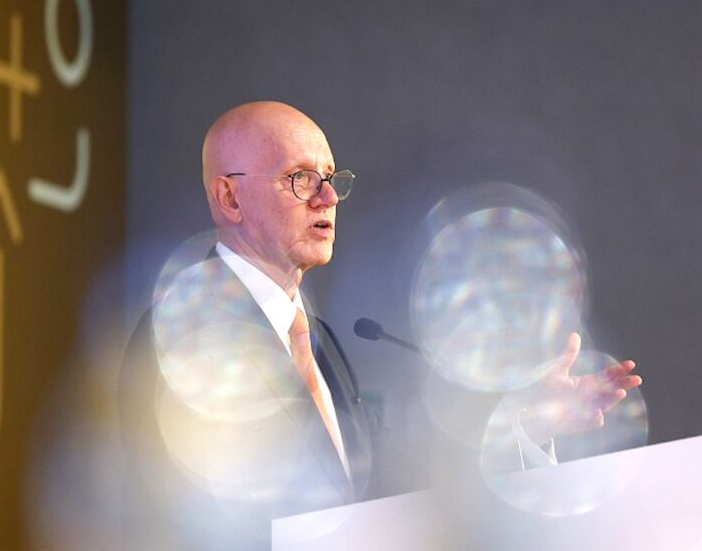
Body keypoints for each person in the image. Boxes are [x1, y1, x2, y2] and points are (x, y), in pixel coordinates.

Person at [120, 101, 642, 549]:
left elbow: (382, 492)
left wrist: (524, 424)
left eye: (330, 179)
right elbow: (169, 520)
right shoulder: (182, 337)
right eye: (300, 179)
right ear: (229, 198)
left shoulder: (319, 342)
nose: (327, 198)